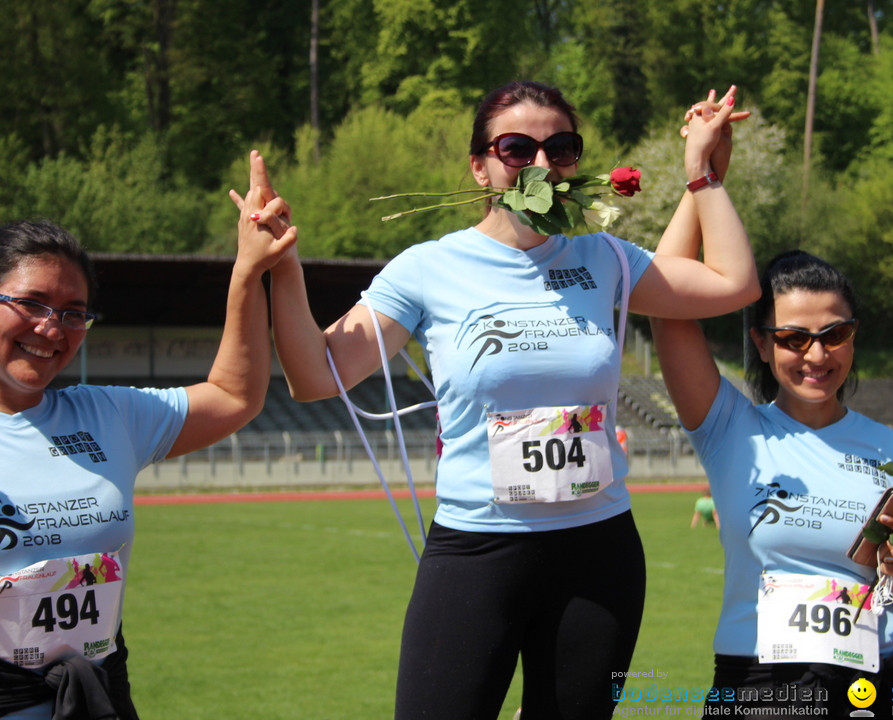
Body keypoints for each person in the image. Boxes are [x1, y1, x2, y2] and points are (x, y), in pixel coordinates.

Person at [252, 80, 759, 719]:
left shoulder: (605, 258)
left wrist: (703, 175)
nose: (542, 165)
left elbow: (733, 283)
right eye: (517, 148)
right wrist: (282, 267)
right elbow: (314, 377)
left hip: (598, 554)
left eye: (562, 148)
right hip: (476, 553)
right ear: (480, 165)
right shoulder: (428, 268)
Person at [0, 151, 295, 720]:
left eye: (72, 312)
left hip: (99, 697)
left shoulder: (106, 415)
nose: (51, 327)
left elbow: (234, 396)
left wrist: (248, 270)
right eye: (31, 303)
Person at [650, 249, 893, 716]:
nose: (817, 354)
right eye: (793, 337)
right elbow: (665, 303)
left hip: (882, 683)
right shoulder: (730, 429)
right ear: (763, 344)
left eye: (836, 334)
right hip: (760, 686)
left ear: (853, 337)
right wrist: (701, 186)